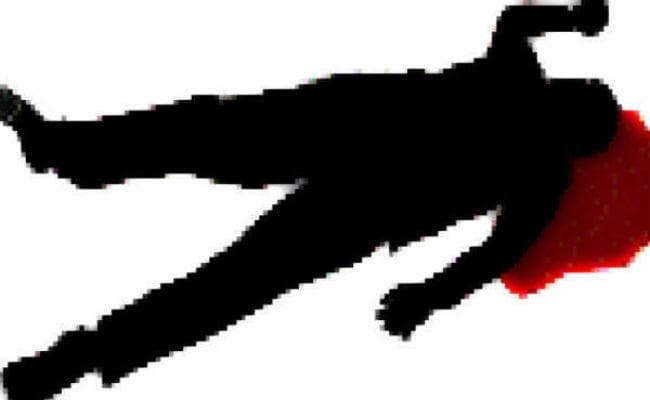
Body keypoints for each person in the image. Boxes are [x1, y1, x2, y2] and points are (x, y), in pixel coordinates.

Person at [0, 1, 619, 399]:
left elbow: (495, 254)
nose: (566, 89)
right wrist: (427, 298)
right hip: (347, 147)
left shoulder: (535, 142)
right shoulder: (535, 136)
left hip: (353, 170)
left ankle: (80, 344)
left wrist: (573, 19)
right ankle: (62, 157)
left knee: (221, 232)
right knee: (205, 161)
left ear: (571, 124)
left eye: (577, 94)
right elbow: (496, 254)